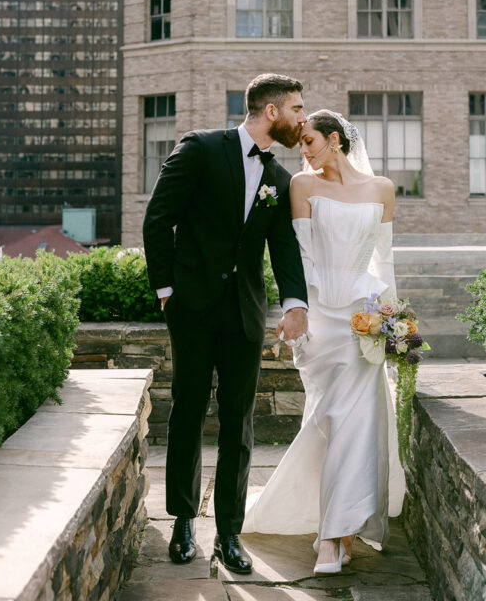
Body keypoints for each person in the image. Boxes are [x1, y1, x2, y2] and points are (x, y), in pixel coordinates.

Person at [142, 73, 309, 575]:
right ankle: (183, 521)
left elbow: (283, 249)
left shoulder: (280, 179)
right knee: (188, 411)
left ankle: (230, 533)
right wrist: (167, 290)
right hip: (191, 310)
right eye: (297, 108)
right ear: (272, 111)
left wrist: (294, 303)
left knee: (239, 421)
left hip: (244, 315)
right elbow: (158, 217)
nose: (303, 118)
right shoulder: (199, 148)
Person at [242, 109, 405, 574]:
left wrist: (391, 321)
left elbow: (384, 261)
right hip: (321, 319)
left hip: (364, 320)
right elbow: (303, 256)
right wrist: (299, 313)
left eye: (309, 142)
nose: (304, 153)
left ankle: (334, 536)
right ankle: (340, 524)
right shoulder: (302, 186)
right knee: (330, 423)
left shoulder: (382, 190)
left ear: (334, 139)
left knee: (356, 424)